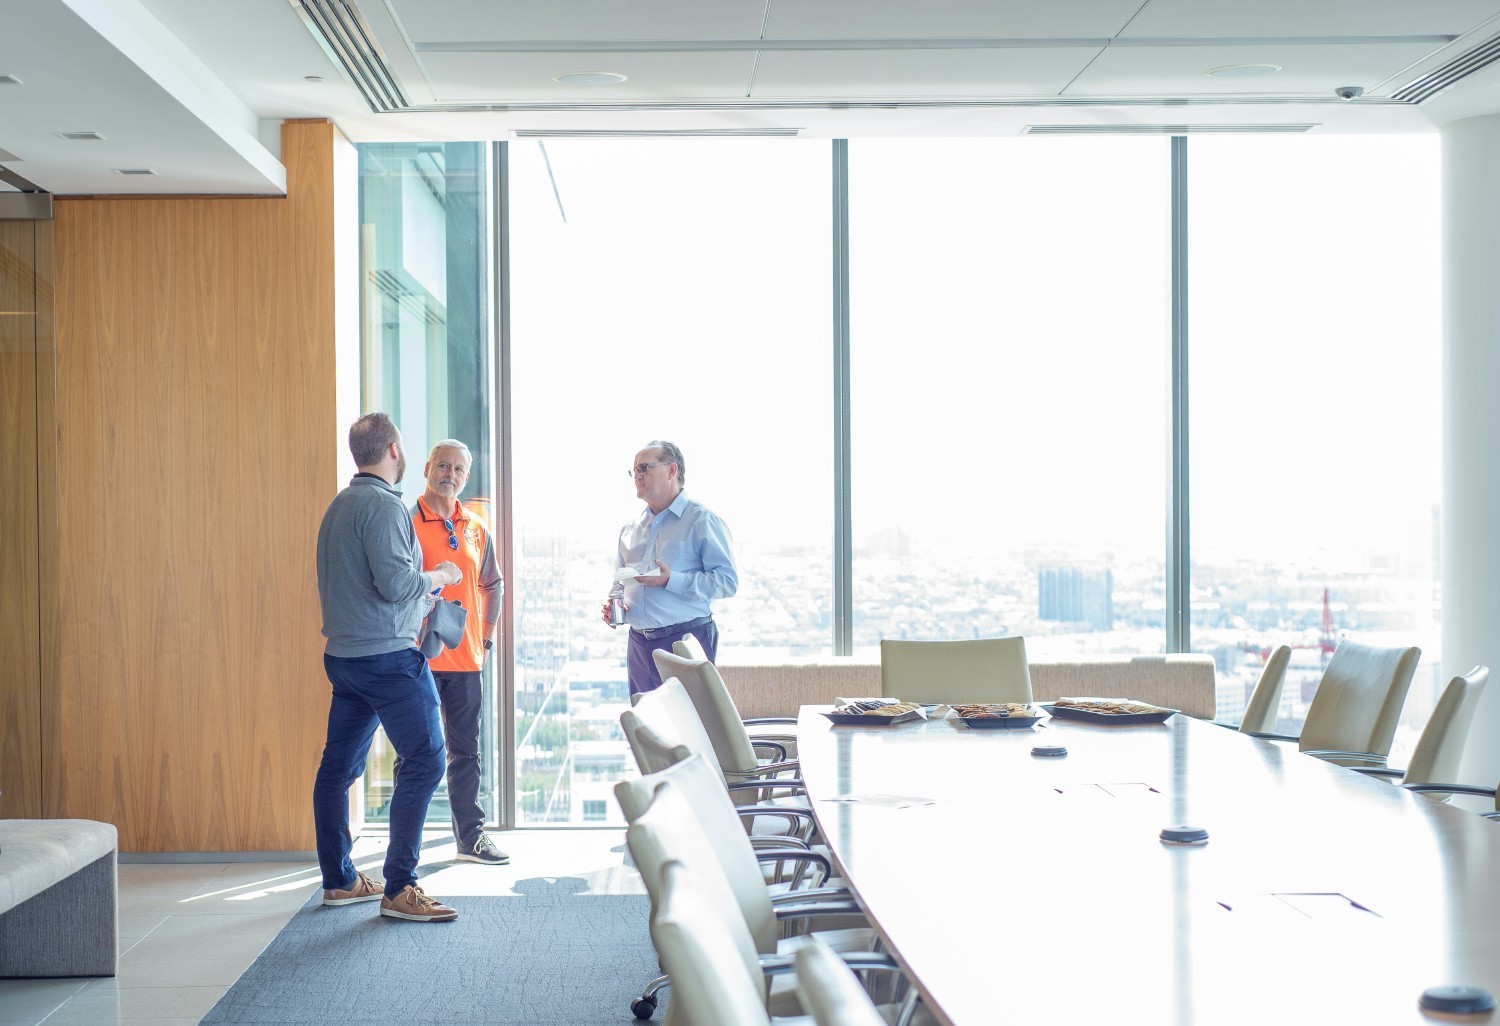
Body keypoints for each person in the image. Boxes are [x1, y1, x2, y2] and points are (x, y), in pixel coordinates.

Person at [313, 412, 462, 923]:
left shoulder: (339, 506)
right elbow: (397, 585)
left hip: (346, 659)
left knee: (337, 771)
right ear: (394, 451)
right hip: (388, 660)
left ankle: (339, 880)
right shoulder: (382, 506)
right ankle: (400, 888)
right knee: (426, 761)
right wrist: (441, 572)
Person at [407, 439, 508, 866]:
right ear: (428, 467)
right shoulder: (406, 520)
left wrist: (484, 638)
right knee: (416, 754)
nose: (451, 474)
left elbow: (493, 585)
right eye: (443, 465)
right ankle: (404, 845)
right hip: (416, 660)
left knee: (466, 753)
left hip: (466, 662)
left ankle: (471, 839)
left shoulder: (475, 527)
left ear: (466, 477)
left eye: (459, 469)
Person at [601, 440, 738, 694]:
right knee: (645, 727)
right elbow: (619, 583)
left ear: (672, 470)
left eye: (645, 467)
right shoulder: (630, 529)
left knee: (691, 725)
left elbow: (727, 582)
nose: (637, 475)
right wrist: (615, 607)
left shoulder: (701, 520)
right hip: (639, 645)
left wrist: (671, 580)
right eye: (635, 470)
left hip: (685, 641)